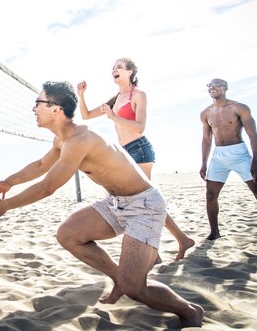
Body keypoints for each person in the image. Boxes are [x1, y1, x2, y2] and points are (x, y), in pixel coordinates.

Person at [0, 81, 203, 328]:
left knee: (135, 288)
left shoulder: (80, 139)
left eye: (38, 103)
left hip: (144, 205)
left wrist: (7, 205)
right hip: (116, 202)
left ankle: (190, 311)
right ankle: (117, 276)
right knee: (68, 234)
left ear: (55, 108)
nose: (34, 108)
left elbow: (48, 186)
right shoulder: (62, 139)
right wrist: (8, 182)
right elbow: (41, 166)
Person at [77, 58, 194, 261]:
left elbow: (139, 127)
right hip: (123, 153)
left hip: (139, 149)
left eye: (119, 67)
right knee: (139, 202)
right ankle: (181, 240)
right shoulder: (115, 98)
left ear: (130, 72)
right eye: (113, 67)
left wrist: (112, 116)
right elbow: (86, 115)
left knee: (142, 201)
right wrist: (81, 94)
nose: (114, 69)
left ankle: (160, 250)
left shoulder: (138, 95)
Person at [200, 78, 257, 240]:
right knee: (210, 196)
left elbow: (252, 135)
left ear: (225, 88)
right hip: (218, 156)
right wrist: (203, 163)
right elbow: (206, 139)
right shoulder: (206, 113)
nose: (212, 87)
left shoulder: (239, 107)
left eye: (217, 84)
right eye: (209, 85)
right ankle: (215, 232)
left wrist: (256, 161)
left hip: (240, 154)